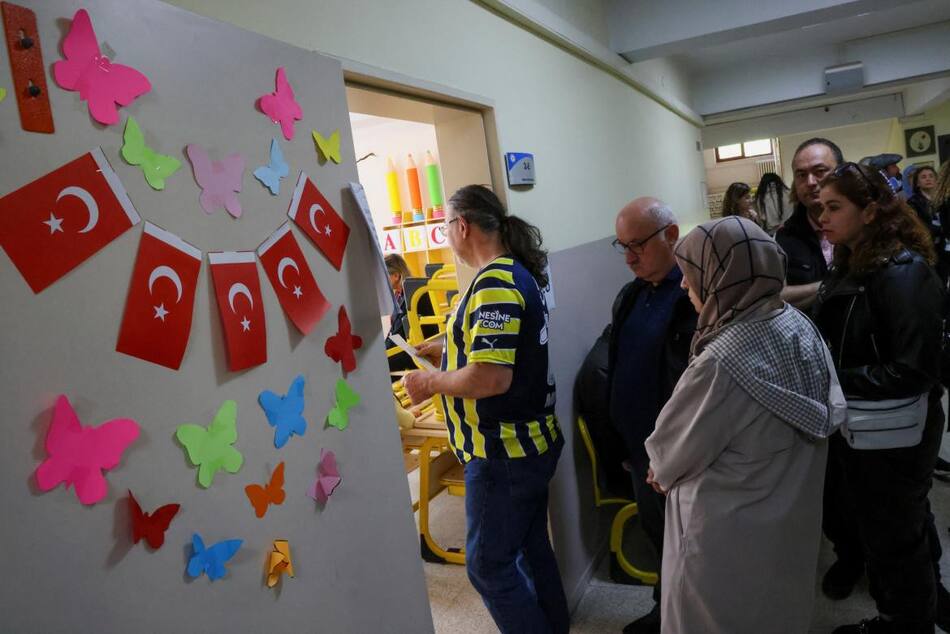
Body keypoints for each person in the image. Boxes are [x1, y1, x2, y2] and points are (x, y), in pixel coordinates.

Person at [644, 215, 845, 634]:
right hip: (789, 516)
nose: (684, 286)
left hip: (724, 533)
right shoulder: (797, 324)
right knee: (776, 608)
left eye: (691, 274)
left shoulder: (722, 361)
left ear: (724, 276)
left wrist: (659, 470)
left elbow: (669, 456)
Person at [402, 185, 568, 634]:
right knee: (532, 547)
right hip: (528, 446)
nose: (446, 237)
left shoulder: (495, 281)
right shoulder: (513, 274)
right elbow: (495, 351)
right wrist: (446, 348)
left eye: (445, 228)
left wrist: (428, 382)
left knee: (488, 568)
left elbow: (492, 378)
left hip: (504, 455)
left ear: (462, 226)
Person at [812, 162, 946, 633]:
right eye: (819, 208)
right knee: (898, 526)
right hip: (868, 425)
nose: (822, 217)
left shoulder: (902, 272)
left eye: (834, 207)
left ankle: (907, 623)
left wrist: (831, 381)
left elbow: (914, 369)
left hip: (896, 429)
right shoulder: (852, 259)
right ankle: (916, 611)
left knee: (896, 535)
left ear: (870, 211)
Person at [608, 197, 696, 634]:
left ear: (672, 235)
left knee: (690, 546)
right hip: (640, 449)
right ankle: (664, 612)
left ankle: (687, 618)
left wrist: (674, 452)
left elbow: (698, 387)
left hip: (681, 453)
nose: (628, 257)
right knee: (660, 539)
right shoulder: (632, 294)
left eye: (637, 244)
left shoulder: (696, 294)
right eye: (621, 246)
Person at [775, 137, 842, 308]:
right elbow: (776, 297)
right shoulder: (784, 238)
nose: (810, 182)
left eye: (820, 171)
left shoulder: (865, 227)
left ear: (841, 173)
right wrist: (834, 285)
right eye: (801, 175)